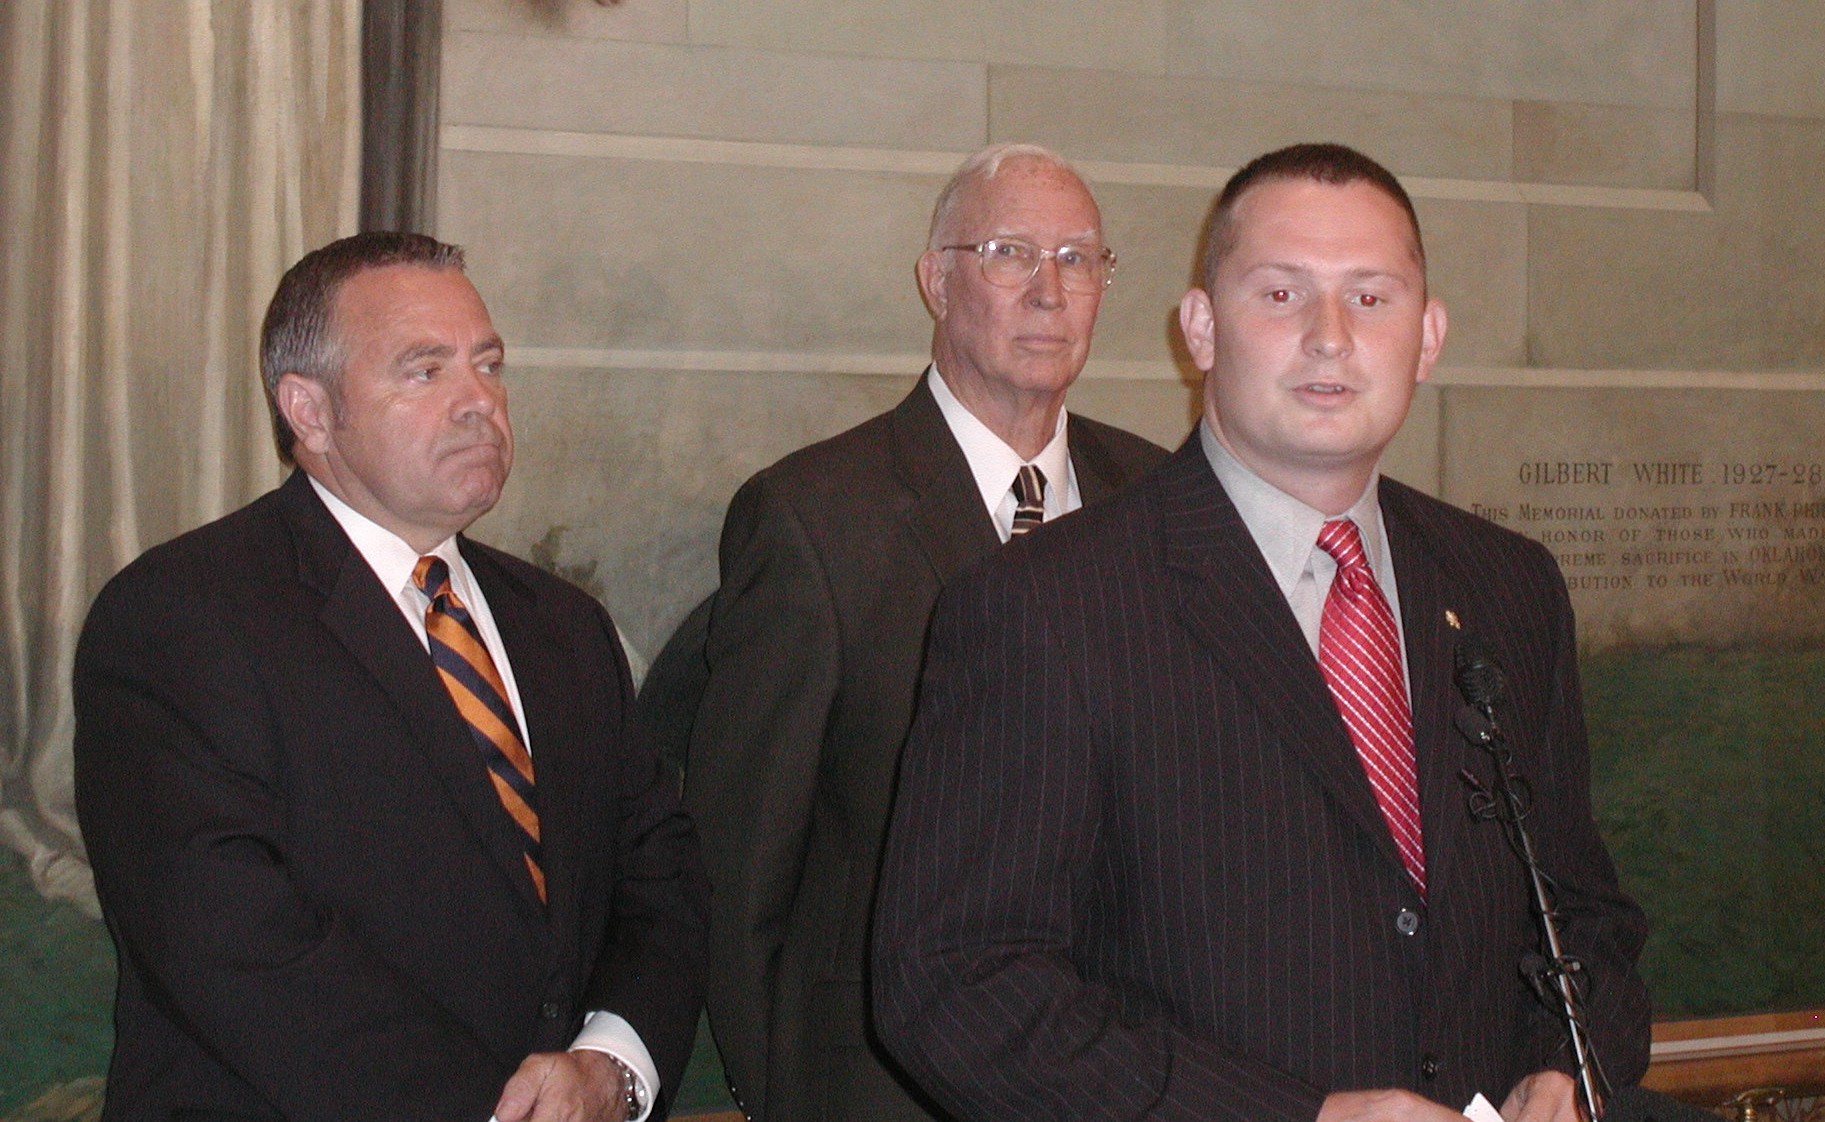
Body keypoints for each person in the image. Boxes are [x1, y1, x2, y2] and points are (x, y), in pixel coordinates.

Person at [872, 143, 1652, 1122]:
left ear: (1429, 335)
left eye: (1371, 298)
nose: (1329, 338)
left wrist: (1569, 1071)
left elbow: (1586, 918)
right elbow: (954, 983)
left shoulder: (1506, 587)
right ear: (1198, 327)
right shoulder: (1047, 607)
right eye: (1280, 295)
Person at [73, 232, 708, 1122]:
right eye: (424, 370)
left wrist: (612, 1062)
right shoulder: (181, 615)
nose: (477, 402)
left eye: (488, 365)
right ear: (310, 411)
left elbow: (659, 873)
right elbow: (224, 937)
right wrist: (496, 1111)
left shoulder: (563, 627)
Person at [684, 143, 1167, 1121]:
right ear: (934, 280)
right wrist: (777, 1094)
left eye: (1078, 260)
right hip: (885, 1085)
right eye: (1008, 254)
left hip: (1136, 1072)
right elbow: (739, 868)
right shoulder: (813, 517)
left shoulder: (1164, 502)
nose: (1048, 291)